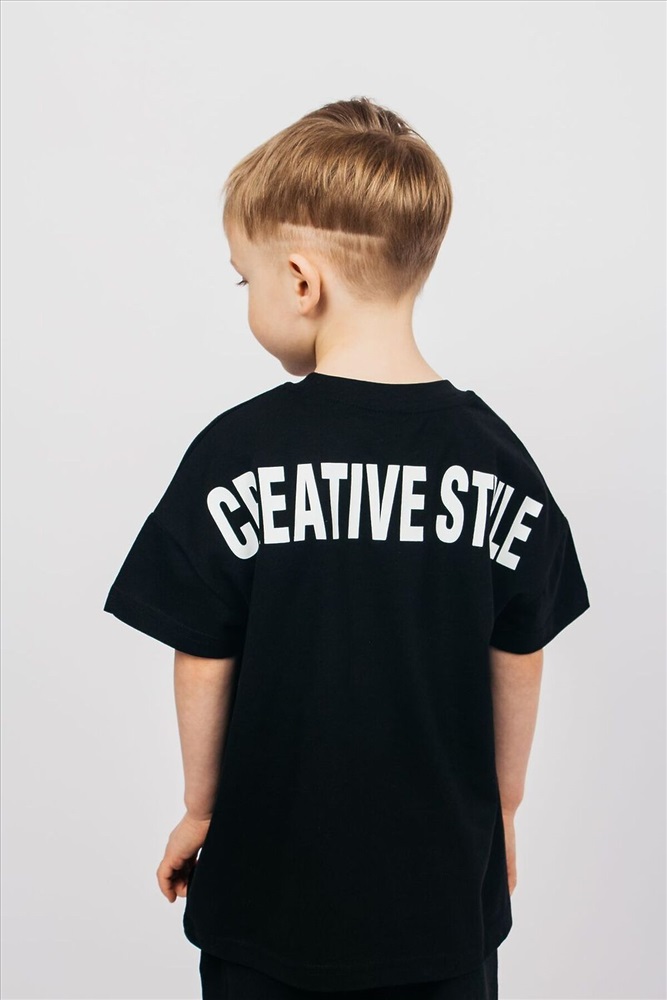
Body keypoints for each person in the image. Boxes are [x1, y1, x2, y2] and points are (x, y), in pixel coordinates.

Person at [102, 96, 591, 1000]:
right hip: (439, 905)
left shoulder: (237, 454)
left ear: (300, 281)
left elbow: (203, 655)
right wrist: (503, 809)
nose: (248, 298)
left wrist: (200, 808)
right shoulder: (495, 460)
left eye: (244, 280)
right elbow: (519, 651)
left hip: (266, 899)